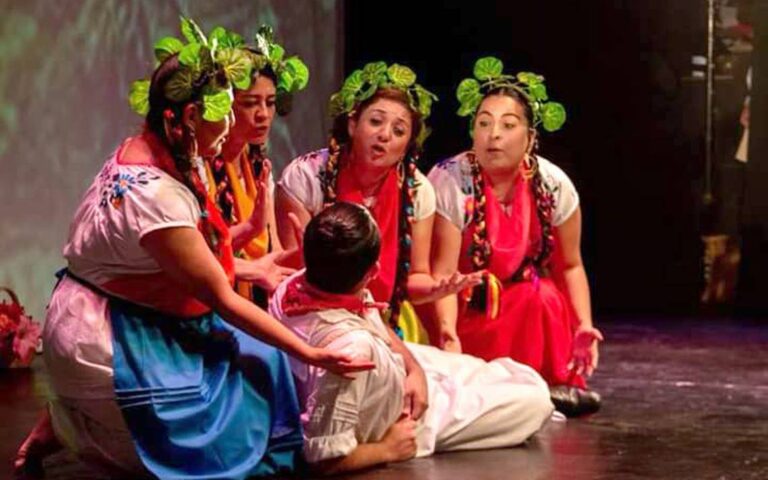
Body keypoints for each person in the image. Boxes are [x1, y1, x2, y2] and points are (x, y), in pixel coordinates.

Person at [13, 18, 371, 480]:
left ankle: (67, 422)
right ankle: (73, 426)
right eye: (224, 113)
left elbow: (181, 254)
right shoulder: (155, 194)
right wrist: (312, 353)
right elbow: (220, 295)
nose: (230, 125)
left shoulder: (147, 149)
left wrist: (247, 238)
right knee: (244, 400)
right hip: (108, 330)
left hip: (127, 306)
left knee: (260, 357)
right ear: (184, 119)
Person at [269, 202, 554, 474]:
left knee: (484, 369)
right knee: (535, 398)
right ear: (373, 272)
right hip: (408, 416)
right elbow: (324, 457)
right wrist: (387, 449)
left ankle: (445, 379)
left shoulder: (300, 282)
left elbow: (370, 317)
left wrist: (414, 368)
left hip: (401, 369)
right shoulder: (348, 354)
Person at [428, 57, 603, 417]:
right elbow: (441, 274)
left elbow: (570, 266)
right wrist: (447, 335)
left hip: (520, 305)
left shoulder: (553, 185)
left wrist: (584, 325)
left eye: (508, 125)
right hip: (461, 303)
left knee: (540, 295)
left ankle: (546, 384)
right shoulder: (450, 180)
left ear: (530, 137)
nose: (493, 134)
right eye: (483, 123)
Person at [276, 61, 481, 343]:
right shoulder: (306, 176)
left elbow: (415, 278)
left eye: (399, 131)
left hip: (381, 320)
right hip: (311, 315)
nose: (384, 135)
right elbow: (290, 270)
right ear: (352, 125)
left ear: (407, 145)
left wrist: (436, 289)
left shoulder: (418, 191)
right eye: (375, 122)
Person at [203, 26, 309, 303]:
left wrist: (301, 255)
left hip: (256, 296)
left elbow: (273, 252)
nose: (263, 114)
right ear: (224, 105)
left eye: (270, 103)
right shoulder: (201, 168)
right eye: (250, 103)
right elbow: (204, 256)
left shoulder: (258, 165)